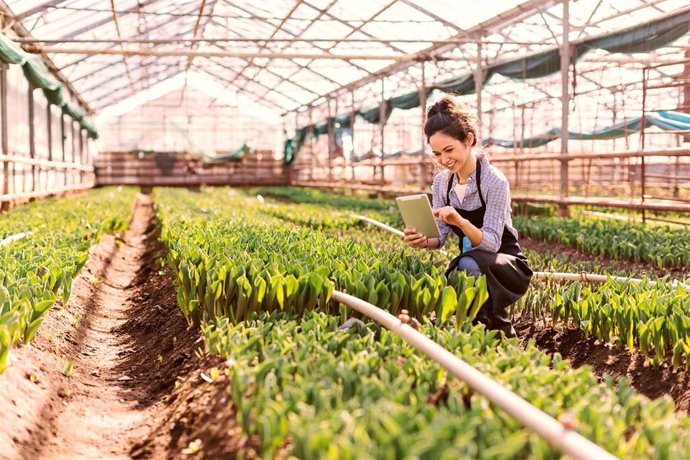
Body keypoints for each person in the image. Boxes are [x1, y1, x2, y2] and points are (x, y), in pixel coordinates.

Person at [403, 96, 532, 338]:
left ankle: (498, 332)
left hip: (505, 263)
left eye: (449, 150)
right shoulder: (442, 182)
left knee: (466, 265)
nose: (444, 160)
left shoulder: (494, 181)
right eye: (437, 153)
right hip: (472, 261)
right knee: (463, 267)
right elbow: (439, 238)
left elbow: (492, 244)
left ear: (469, 140)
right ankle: (482, 335)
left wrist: (461, 222)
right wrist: (423, 240)